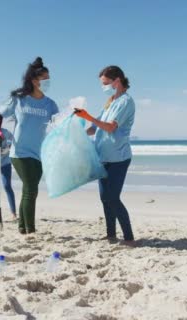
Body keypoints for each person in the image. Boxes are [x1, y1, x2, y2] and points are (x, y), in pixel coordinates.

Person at [0, 57, 59, 235]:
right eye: (44, 79)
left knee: (28, 190)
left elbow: (58, 126)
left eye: (48, 79)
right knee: (31, 189)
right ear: (34, 81)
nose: (47, 82)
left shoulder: (50, 105)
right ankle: (30, 229)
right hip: (19, 152)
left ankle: (22, 227)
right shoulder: (19, 99)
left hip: (40, 153)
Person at [75, 66, 136, 245]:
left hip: (118, 158)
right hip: (103, 157)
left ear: (116, 80)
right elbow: (95, 128)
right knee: (104, 198)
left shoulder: (126, 102)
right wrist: (78, 132)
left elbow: (110, 127)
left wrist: (88, 116)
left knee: (112, 197)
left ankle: (129, 238)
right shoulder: (111, 100)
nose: (104, 87)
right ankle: (111, 234)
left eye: (105, 83)